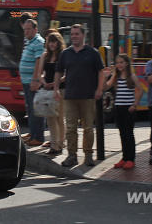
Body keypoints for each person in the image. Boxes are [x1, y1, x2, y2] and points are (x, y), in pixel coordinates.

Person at [53, 24, 105, 167]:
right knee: (70, 128)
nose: (74, 36)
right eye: (72, 34)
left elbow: (101, 72)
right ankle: (72, 156)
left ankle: (88, 156)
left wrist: (99, 89)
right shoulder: (65, 53)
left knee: (88, 128)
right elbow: (58, 72)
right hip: (70, 96)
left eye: (77, 34)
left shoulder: (93, 53)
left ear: (83, 35)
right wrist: (56, 88)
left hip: (88, 97)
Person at [105, 53, 142, 170]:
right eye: (117, 62)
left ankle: (131, 159)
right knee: (122, 134)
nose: (119, 65)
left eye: (121, 62)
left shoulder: (132, 77)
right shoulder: (115, 77)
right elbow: (105, 87)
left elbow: (140, 90)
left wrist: (134, 104)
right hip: (118, 108)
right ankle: (124, 158)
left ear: (126, 63)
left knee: (129, 134)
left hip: (128, 109)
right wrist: (104, 76)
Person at [36, 31, 67, 155]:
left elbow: (66, 74)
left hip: (61, 89)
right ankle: (54, 145)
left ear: (58, 42)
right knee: (50, 118)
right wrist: (44, 82)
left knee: (59, 117)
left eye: (54, 41)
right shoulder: (45, 55)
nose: (52, 44)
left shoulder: (63, 55)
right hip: (47, 90)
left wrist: (55, 84)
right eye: (50, 42)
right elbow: (40, 74)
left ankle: (60, 143)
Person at [19, 19, 45, 146]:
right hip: (26, 81)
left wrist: (35, 79)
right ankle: (33, 134)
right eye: (25, 29)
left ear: (35, 29)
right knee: (30, 110)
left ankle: (38, 137)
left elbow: (39, 61)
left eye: (29, 29)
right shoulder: (29, 41)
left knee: (36, 111)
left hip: (32, 82)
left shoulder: (38, 42)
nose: (26, 32)